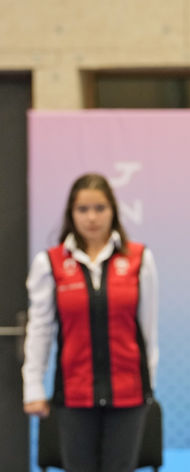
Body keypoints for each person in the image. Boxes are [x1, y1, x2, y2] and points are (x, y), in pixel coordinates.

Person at [22, 173, 159, 472]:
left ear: (113, 211)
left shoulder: (139, 259)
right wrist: (32, 387)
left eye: (100, 208)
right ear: (71, 214)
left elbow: (148, 330)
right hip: (74, 392)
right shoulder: (50, 263)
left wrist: (149, 382)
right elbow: (40, 330)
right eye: (83, 209)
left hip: (129, 392)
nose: (92, 217)